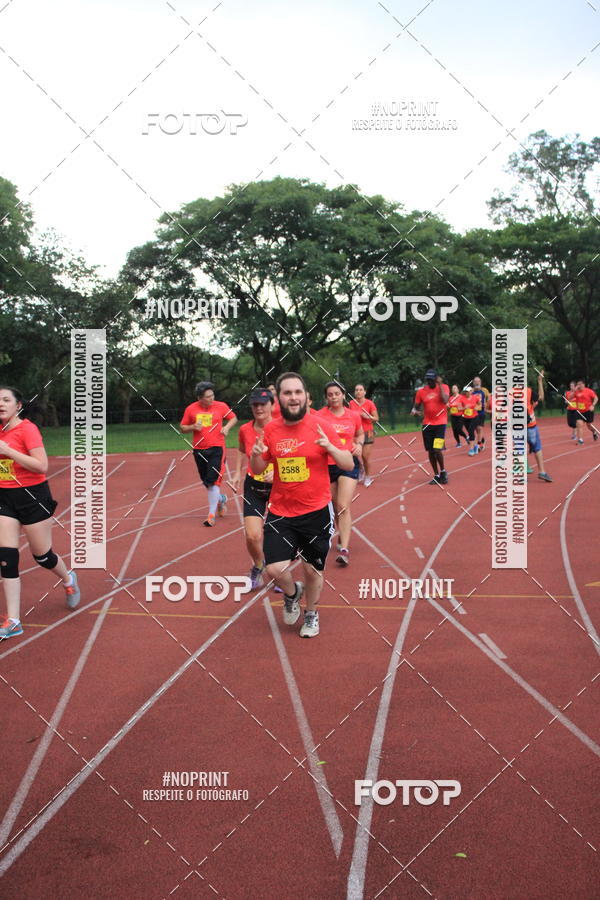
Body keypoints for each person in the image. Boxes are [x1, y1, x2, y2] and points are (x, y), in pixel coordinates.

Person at [250, 372, 353, 638]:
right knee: (274, 568)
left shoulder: (321, 426)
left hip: (316, 511)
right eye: (287, 393)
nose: (293, 397)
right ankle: (293, 592)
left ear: (306, 396)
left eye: (297, 392)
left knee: (312, 568)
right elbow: (258, 468)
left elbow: (348, 463)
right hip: (280, 511)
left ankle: (311, 613)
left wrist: (330, 447)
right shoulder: (271, 429)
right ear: (279, 398)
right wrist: (255, 456)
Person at [0, 387, 80, 639]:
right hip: (4, 498)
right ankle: (14, 621)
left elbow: (41, 465)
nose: (1, 404)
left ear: (18, 405)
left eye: (6, 400)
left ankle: (68, 579)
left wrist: (9, 451)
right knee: (6, 558)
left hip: (33, 497)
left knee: (42, 556)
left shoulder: (27, 429)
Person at [317, 382, 364, 566]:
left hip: (347, 463)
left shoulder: (353, 415)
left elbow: (360, 434)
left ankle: (344, 549)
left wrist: (359, 444)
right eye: (330, 394)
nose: (334, 397)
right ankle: (342, 532)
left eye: (337, 393)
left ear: (343, 395)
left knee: (343, 506)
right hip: (326, 465)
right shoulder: (319, 416)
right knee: (335, 507)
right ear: (326, 397)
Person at [232, 388, 274, 590]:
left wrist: (278, 474)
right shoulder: (245, 430)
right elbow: (242, 450)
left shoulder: (282, 428)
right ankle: (258, 565)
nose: (259, 408)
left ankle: (279, 573)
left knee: (278, 535)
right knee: (252, 535)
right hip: (253, 485)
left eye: (263, 404)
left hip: (279, 488)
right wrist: (237, 473)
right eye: (255, 405)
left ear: (272, 405)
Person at [180, 381, 237, 526]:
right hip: (199, 449)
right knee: (207, 482)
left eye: (212, 395)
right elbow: (182, 428)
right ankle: (220, 499)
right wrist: (193, 426)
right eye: (208, 396)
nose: (212, 398)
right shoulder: (191, 409)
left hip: (217, 449)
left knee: (213, 480)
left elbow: (233, 418)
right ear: (199, 398)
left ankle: (211, 516)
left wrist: (227, 428)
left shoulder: (221, 406)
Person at [411, 369, 450, 484]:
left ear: (436, 379)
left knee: (437, 449)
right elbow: (416, 407)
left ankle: (443, 471)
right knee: (430, 451)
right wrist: (414, 411)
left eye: (432, 380)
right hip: (427, 424)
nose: (429, 382)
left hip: (440, 424)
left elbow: (445, 400)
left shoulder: (444, 387)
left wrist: (440, 385)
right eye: (428, 380)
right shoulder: (421, 391)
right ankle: (436, 475)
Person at [349, 384, 379, 486]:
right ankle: (361, 468)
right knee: (354, 454)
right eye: (356, 390)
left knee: (365, 456)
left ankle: (368, 477)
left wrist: (367, 416)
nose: (358, 392)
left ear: (365, 392)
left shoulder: (369, 403)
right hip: (356, 433)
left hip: (367, 432)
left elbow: (376, 418)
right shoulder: (351, 403)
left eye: (360, 390)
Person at [525, 371, 552, 481]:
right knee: (537, 448)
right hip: (530, 425)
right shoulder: (528, 391)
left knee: (519, 450)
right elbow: (541, 397)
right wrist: (540, 381)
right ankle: (542, 472)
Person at [573, 378, 598, 444]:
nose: (578, 386)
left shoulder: (589, 391)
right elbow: (569, 398)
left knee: (589, 425)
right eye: (577, 384)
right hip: (580, 411)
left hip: (588, 411)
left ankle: (594, 432)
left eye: (580, 384)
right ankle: (580, 440)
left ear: (583, 384)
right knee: (579, 424)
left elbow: (596, 398)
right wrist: (574, 391)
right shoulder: (576, 392)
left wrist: (593, 405)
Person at [472, 376, 490, 452]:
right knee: (477, 429)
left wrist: (486, 406)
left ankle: (479, 444)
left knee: (479, 428)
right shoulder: (471, 391)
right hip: (474, 412)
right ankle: (482, 439)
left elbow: (488, 399)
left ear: (480, 382)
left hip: (481, 412)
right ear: (473, 383)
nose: (477, 383)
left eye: (478, 381)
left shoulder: (484, 390)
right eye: (475, 381)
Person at [462, 387, 482, 455]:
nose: (467, 393)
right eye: (466, 391)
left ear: (471, 391)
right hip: (465, 418)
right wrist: (464, 408)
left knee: (471, 431)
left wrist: (477, 408)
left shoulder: (475, 397)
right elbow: (459, 408)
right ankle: (476, 446)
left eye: (468, 391)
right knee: (470, 433)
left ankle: (471, 449)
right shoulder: (462, 398)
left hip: (474, 417)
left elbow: (480, 405)